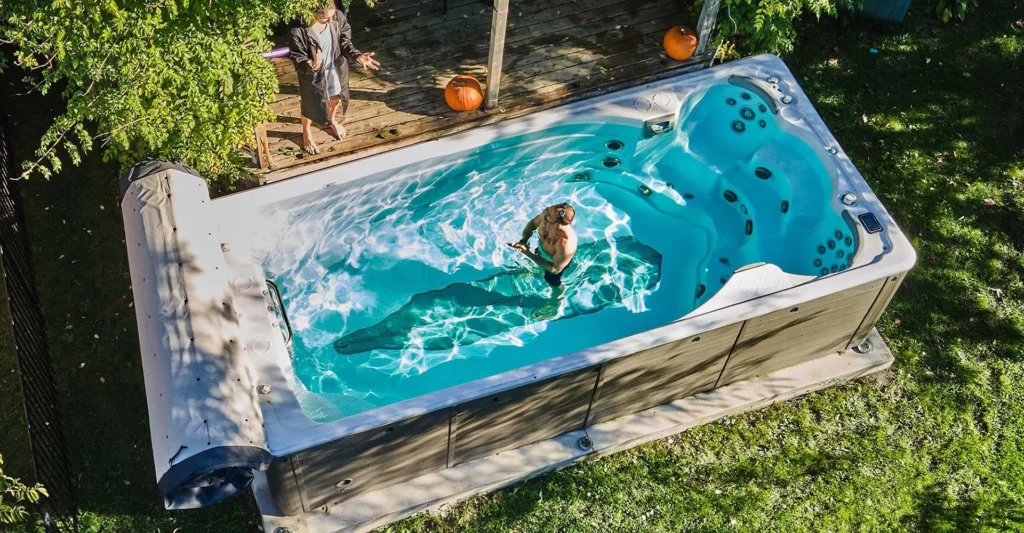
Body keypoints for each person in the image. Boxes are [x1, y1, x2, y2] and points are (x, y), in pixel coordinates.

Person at [288, 3, 381, 155]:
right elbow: (297, 56)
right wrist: (310, 63)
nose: (330, 21)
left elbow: (345, 42)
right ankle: (306, 131)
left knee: (335, 97)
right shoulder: (298, 30)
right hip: (313, 73)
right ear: (312, 13)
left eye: (331, 17)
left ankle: (332, 120)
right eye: (325, 18)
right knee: (310, 103)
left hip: (335, 67)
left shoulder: (336, 17)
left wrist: (357, 56)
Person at [508, 202, 579, 289]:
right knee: (535, 266)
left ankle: (558, 299)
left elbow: (555, 269)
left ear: (557, 224)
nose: (546, 211)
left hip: (554, 263)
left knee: (551, 281)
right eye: (549, 208)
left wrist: (527, 252)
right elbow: (533, 224)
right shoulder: (547, 214)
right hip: (542, 250)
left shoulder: (566, 243)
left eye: (549, 213)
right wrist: (524, 240)